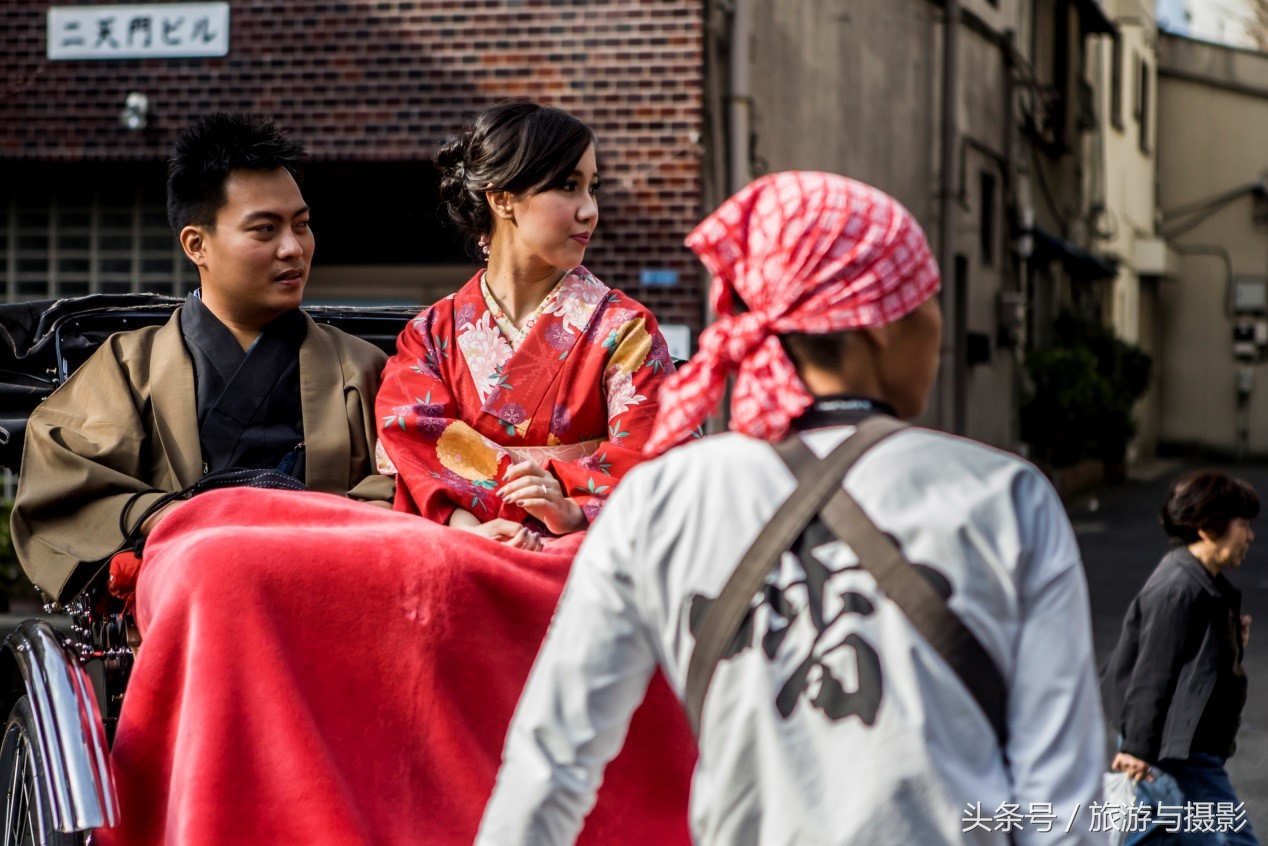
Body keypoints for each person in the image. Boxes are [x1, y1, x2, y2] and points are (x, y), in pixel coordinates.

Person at [477, 171, 1108, 845]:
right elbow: (1064, 806)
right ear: (879, 326)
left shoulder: (661, 500)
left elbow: (549, 766)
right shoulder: (1006, 497)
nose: (939, 326)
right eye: (929, 301)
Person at [11, 111, 392, 606]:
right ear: (197, 244)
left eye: (302, 225)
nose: (293, 248)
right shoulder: (130, 366)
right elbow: (66, 485)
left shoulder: (363, 366)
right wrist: (169, 518)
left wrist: (307, 530)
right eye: (264, 230)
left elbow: (410, 479)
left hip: (332, 591)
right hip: (185, 604)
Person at [375, 100, 676, 545]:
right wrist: (473, 530)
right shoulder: (430, 335)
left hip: (581, 546)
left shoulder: (625, 329)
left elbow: (653, 453)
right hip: (465, 544)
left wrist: (570, 510)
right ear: (501, 199)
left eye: (593, 188)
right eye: (569, 186)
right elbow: (410, 436)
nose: (589, 209)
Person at [1102, 470, 1259, 846]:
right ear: (1209, 527)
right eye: (1243, 525)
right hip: (1179, 747)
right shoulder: (1179, 589)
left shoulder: (1202, 581)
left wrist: (1232, 642)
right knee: (1232, 840)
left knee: (1156, 836)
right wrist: (1136, 748)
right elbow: (1152, 672)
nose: (1250, 537)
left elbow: (1191, 662)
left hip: (1179, 741)